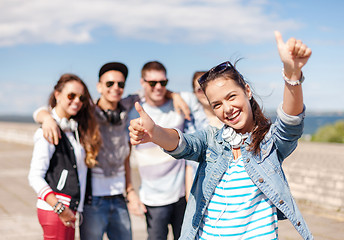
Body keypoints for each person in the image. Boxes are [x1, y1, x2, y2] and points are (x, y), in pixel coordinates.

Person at [128, 31, 314, 239]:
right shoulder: (211, 141)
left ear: (247, 91)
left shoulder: (269, 142)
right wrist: (155, 132)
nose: (227, 108)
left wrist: (292, 75)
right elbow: (183, 144)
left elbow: (290, 121)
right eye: (217, 104)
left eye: (231, 96)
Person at [34, 62, 191, 240]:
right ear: (99, 86)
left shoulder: (128, 105)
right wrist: (46, 117)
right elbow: (52, 110)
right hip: (92, 201)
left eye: (120, 84)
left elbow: (153, 89)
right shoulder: (87, 112)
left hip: (119, 199)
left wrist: (174, 95)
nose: (115, 88)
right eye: (109, 84)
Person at [128, 61, 207, 240]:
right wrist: (130, 192)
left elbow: (204, 95)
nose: (158, 87)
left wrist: (174, 95)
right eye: (152, 83)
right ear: (142, 82)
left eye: (163, 83)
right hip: (153, 200)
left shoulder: (180, 102)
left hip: (182, 196)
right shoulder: (133, 108)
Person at [28, 73, 102, 240]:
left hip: (69, 209)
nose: (77, 101)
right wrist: (59, 208)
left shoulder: (73, 128)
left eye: (81, 98)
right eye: (71, 95)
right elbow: (34, 176)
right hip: (56, 210)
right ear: (57, 95)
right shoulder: (48, 131)